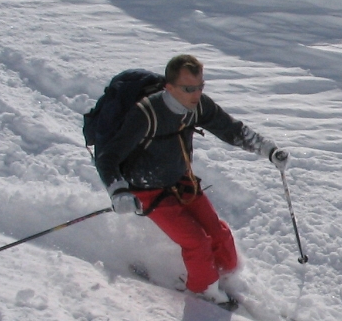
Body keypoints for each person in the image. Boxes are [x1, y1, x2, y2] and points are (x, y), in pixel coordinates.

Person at [95, 54, 287, 305]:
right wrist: (118, 190)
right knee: (197, 242)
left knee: (219, 235)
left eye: (200, 87)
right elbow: (108, 156)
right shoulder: (146, 114)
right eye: (189, 88)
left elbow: (231, 129)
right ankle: (202, 290)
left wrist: (268, 150)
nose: (196, 94)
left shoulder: (197, 107)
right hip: (148, 191)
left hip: (182, 182)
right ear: (170, 87)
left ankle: (226, 277)